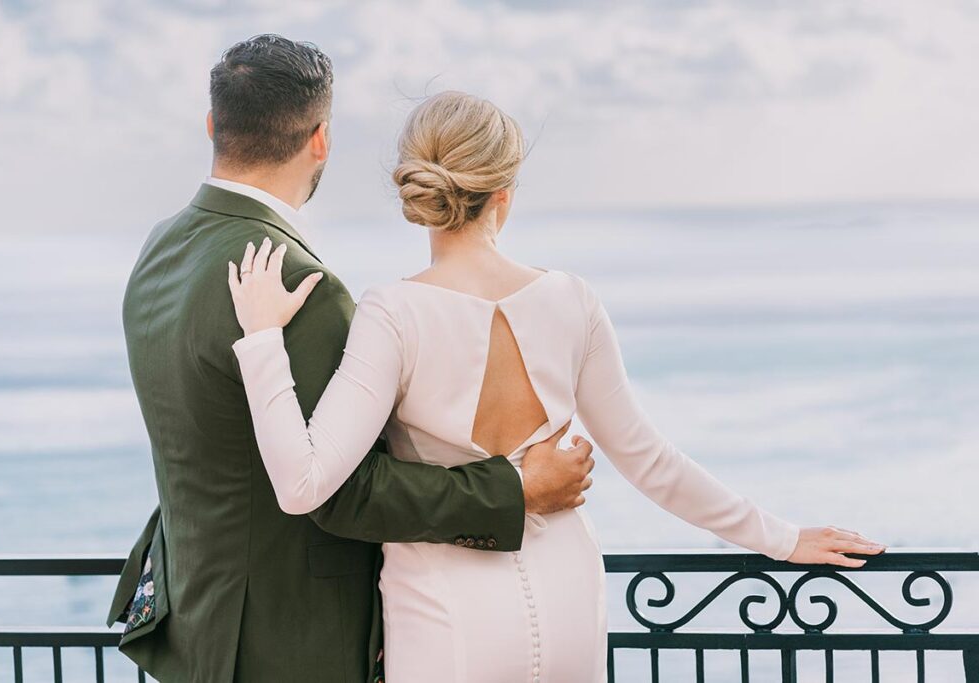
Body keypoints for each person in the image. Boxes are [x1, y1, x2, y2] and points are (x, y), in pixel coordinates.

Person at [227, 90, 888, 682]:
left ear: (421, 196)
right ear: (504, 193)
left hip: (450, 622)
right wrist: (781, 536)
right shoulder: (571, 298)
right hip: (570, 595)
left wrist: (261, 341)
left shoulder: (394, 312)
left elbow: (303, 482)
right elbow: (650, 461)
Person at [106, 36, 594, 683]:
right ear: (320, 139)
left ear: (212, 126)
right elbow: (337, 489)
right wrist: (515, 488)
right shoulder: (297, 283)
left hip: (195, 620)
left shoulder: (161, 247)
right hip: (290, 641)